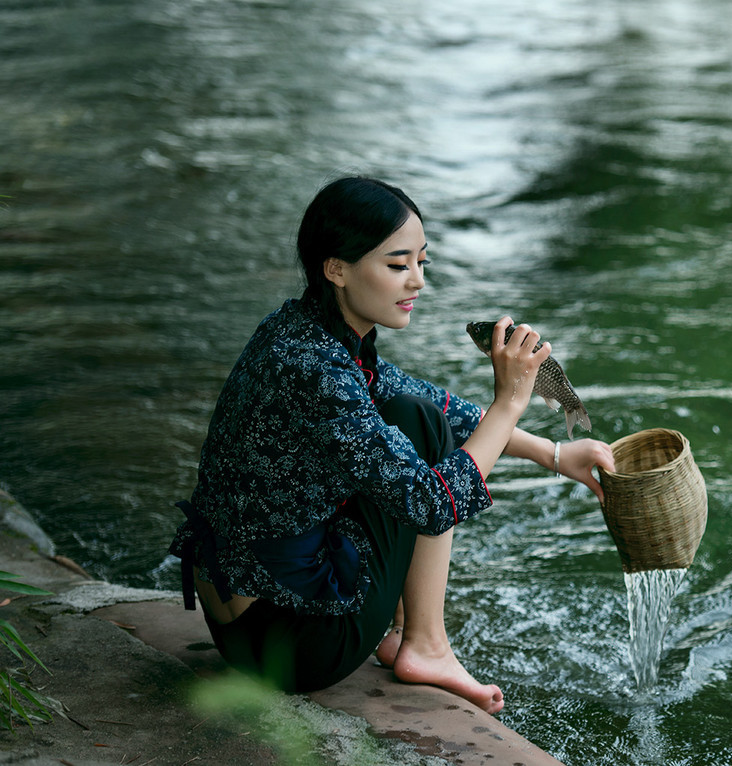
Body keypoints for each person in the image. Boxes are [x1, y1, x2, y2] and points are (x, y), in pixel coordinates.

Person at [169, 176, 614, 714]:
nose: (417, 282)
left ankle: (400, 635)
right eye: (398, 265)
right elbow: (430, 503)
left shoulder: (301, 330)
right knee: (418, 439)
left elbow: (430, 403)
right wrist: (510, 402)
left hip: (243, 626)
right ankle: (426, 646)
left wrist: (556, 453)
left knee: (414, 416)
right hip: (290, 647)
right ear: (337, 268)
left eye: (422, 262)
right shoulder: (317, 370)